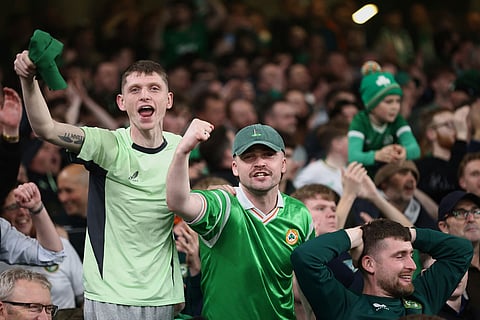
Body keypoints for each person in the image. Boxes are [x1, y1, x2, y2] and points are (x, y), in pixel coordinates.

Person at [15, 46, 184, 318]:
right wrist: (28, 80)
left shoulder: (180, 148)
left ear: (168, 100)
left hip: (164, 296)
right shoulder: (107, 145)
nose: (144, 95)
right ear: (121, 102)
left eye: (154, 88)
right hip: (111, 296)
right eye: (135, 89)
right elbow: (45, 128)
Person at [166, 120, 314, 319]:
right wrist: (183, 151)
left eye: (268, 155)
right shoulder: (223, 204)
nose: (259, 162)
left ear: (283, 163)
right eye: (249, 157)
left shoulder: (300, 214)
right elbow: (178, 202)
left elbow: (308, 284)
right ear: (235, 167)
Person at [291, 218, 473, 319]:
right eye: (400, 256)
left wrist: (405, 232)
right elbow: (305, 257)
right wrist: (359, 233)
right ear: (369, 264)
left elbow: (461, 250)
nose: (412, 266)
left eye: (411, 254)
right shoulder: (343, 306)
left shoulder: (422, 297)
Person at [0, 183, 83, 310]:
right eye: (14, 207)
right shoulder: (4, 245)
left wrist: (37, 207)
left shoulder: (62, 245)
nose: (22, 212)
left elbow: (83, 296)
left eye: (26, 205)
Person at [348, 61, 420, 177]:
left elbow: (415, 149)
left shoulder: (398, 120)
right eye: (388, 102)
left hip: (388, 178)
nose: (395, 107)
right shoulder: (360, 121)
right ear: (371, 105)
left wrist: (404, 153)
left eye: (397, 101)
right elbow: (353, 156)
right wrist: (377, 155)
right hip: (363, 179)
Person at [347, 161, 437, 229]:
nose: (412, 179)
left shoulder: (417, 210)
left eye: (414, 175)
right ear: (384, 183)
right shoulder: (364, 204)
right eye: (403, 173)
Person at [437, 190, 480, 308]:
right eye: (461, 213)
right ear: (444, 226)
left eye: (476, 211)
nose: (471, 218)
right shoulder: (441, 269)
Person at [56, 164, 89, 260]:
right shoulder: (55, 227)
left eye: (69, 191)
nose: (62, 198)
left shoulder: (111, 224)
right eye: (60, 191)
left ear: (89, 188)